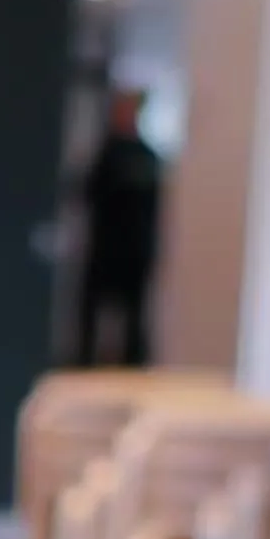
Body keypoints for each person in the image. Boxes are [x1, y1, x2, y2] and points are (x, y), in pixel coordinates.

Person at [78, 87, 165, 369]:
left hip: (136, 249)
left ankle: (132, 368)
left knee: (134, 318)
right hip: (105, 248)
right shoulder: (105, 155)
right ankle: (86, 366)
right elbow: (88, 196)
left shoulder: (148, 157)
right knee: (91, 315)